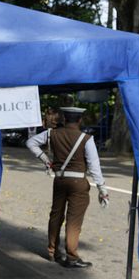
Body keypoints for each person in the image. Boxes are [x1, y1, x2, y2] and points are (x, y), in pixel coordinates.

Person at [26, 106, 109, 268]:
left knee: (56, 215)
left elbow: (31, 142)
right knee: (73, 221)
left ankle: (52, 251)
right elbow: (94, 166)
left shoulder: (52, 134)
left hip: (59, 180)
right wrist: (102, 188)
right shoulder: (86, 138)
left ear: (64, 119)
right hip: (78, 184)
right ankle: (71, 257)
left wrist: (46, 160)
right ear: (79, 120)